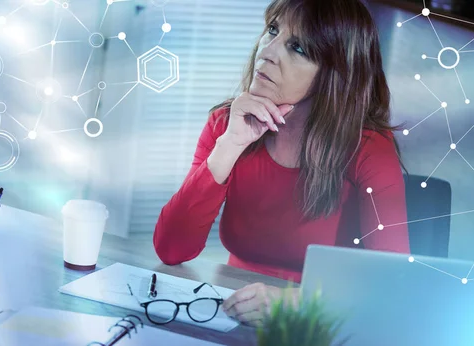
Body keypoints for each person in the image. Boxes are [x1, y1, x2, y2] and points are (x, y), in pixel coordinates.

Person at [153, 0, 411, 327]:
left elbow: (391, 283)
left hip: (321, 322)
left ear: (333, 74)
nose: (268, 51)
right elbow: (170, 249)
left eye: (298, 48)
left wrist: (291, 302)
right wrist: (230, 144)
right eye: (272, 30)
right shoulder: (225, 124)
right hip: (232, 313)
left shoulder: (369, 148)